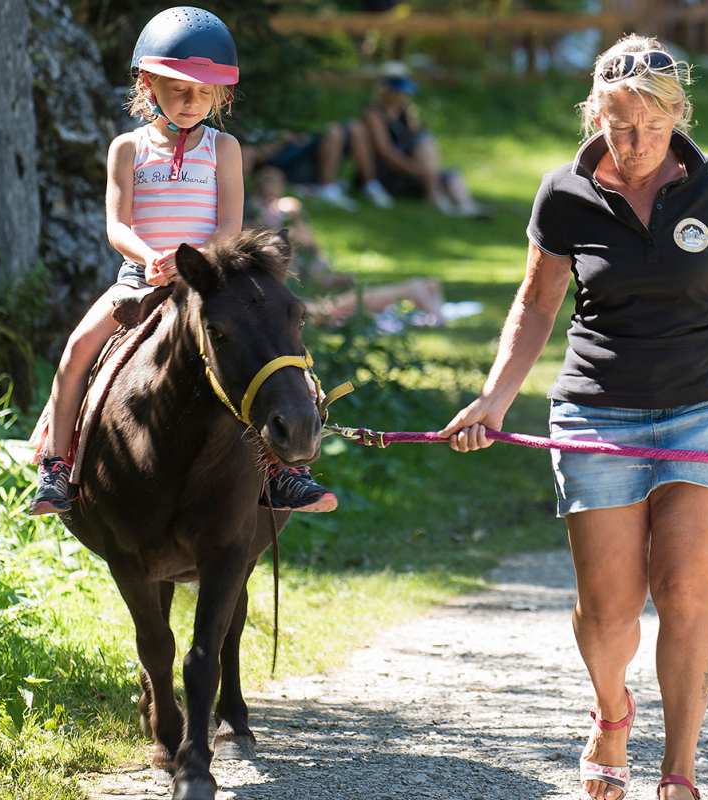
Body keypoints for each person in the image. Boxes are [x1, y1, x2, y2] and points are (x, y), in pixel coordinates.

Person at [440, 34, 708, 800]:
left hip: (707, 407)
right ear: (595, 113)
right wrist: (494, 398)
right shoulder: (564, 191)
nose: (635, 139)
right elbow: (537, 302)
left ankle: (678, 772)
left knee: (683, 589)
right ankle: (612, 711)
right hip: (596, 414)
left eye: (651, 122)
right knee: (606, 611)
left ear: (679, 114)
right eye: (617, 122)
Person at [30, 6, 336, 516]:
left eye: (203, 92)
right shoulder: (127, 148)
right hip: (141, 278)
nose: (191, 102)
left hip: (211, 282)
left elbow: (229, 225)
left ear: (222, 95)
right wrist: (152, 257)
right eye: (178, 89)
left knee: (277, 354)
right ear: (149, 85)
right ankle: (57, 465)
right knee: (78, 348)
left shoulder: (225, 148)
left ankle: (289, 469)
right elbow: (117, 225)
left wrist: (196, 263)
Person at [244, 165, 447, 326]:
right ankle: (421, 292)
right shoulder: (258, 216)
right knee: (355, 303)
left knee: (350, 303)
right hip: (309, 293)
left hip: (311, 291)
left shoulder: (282, 211)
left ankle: (424, 296)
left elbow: (311, 251)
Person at [360, 69, 493, 218]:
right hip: (390, 171)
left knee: (452, 175)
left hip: (414, 167)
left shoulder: (405, 111)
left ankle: (465, 206)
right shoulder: (374, 114)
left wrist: (427, 172)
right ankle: (434, 195)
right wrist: (419, 172)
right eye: (397, 91)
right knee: (426, 150)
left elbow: (413, 137)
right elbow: (384, 151)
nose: (401, 95)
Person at [242, 122, 395, 211]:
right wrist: (280, 139)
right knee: (334, 133)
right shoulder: (248, 137)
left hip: (300, 147)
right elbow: (259, 151)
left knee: (355, 129)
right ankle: (327, 189)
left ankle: (372, 186)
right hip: (285, 159)